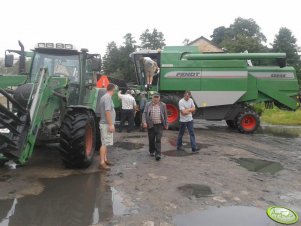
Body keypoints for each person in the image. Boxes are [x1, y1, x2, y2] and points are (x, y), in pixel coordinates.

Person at [142, 93, 168, 161]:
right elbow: (144, 113)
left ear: (159, 98)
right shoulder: (148, 104)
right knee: (151, 139)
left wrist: (166, 124)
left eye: (157, 97)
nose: (156, 99)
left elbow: (165, 115)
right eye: (154, 97)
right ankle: (151, 151)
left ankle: (158, 154)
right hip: (151, 124)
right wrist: (144, 122)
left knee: (158, 139)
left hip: (159, 125)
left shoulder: (163, 105)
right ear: (152, 98)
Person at [99, 83, 116, 171]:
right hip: (106, 124)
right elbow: (107, 112)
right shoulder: (108, 97)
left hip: (104, 123)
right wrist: (111, 124)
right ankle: (102, 162)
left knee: (104, 143)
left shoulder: (104, 97)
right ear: (113, 89)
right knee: (104, 144)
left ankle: (105, 159)